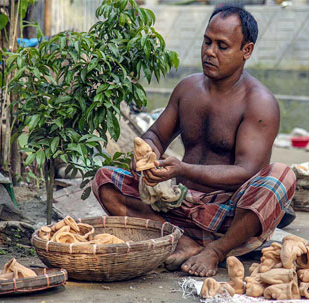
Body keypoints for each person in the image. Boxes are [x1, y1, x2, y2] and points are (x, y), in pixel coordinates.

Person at [92, 5, 296, 277]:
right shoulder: (187, 88)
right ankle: (182, 242)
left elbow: (246, 172)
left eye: (222, 46)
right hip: (176, 206)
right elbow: (155, 135)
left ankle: (216, 251)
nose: (209, 52)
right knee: (105, 178)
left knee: (281, 177)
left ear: (246, 51)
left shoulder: (259, 102)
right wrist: (146, 155)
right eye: (207, 41)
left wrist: (182, 169)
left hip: (228, 218)